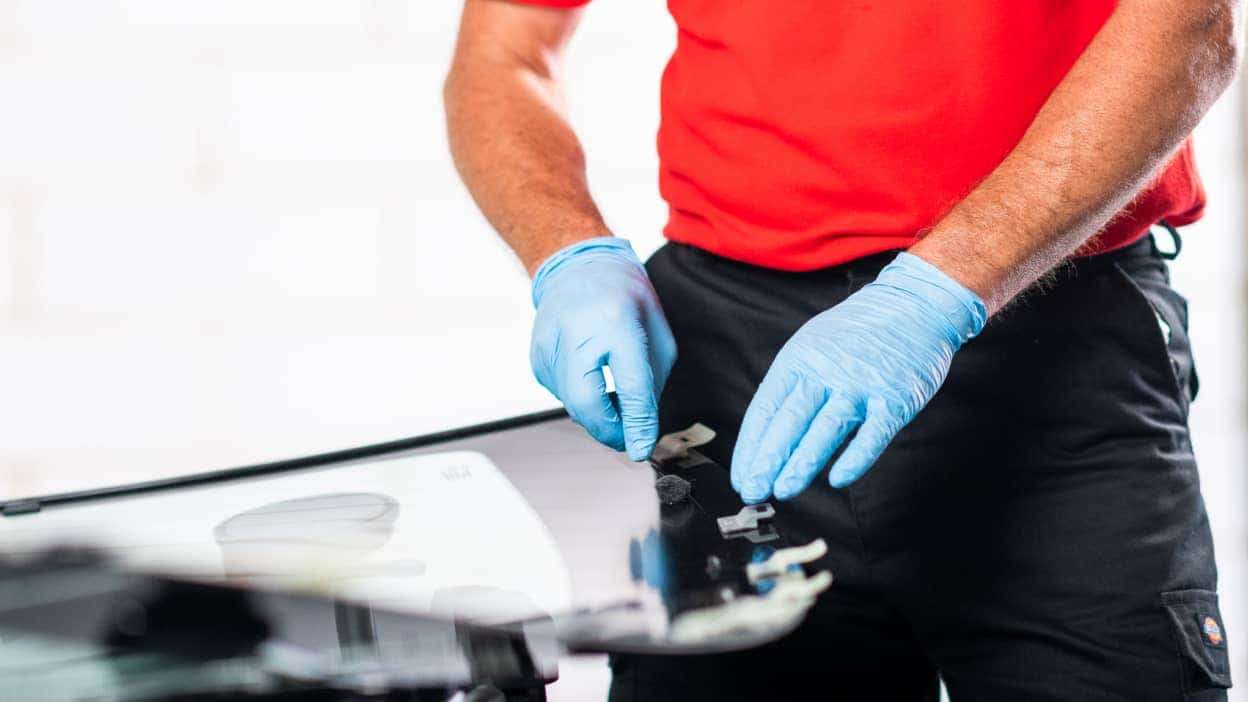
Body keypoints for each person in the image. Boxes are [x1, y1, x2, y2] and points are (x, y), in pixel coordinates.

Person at [444, 0, 1239, 699]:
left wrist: (937, 290)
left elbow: (1189, 24)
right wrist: (567, 253)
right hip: (727, 358)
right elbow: (504, 49)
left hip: (1054, 344)